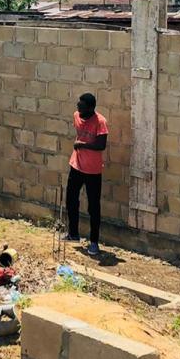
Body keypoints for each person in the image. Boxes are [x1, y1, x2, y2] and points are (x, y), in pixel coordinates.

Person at [63, 92, 108, 256]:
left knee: (93, 206)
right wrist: (79, 145)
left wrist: (82, 144)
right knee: (71, 200)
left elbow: (101, 145)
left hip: (92, 171)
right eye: (78, 106)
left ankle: (94, 242)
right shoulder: (76, 115)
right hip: (76, 165)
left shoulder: (100, 122)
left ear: (90, 108)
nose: (78, 110)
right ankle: (73, 233)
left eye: (82, 107)